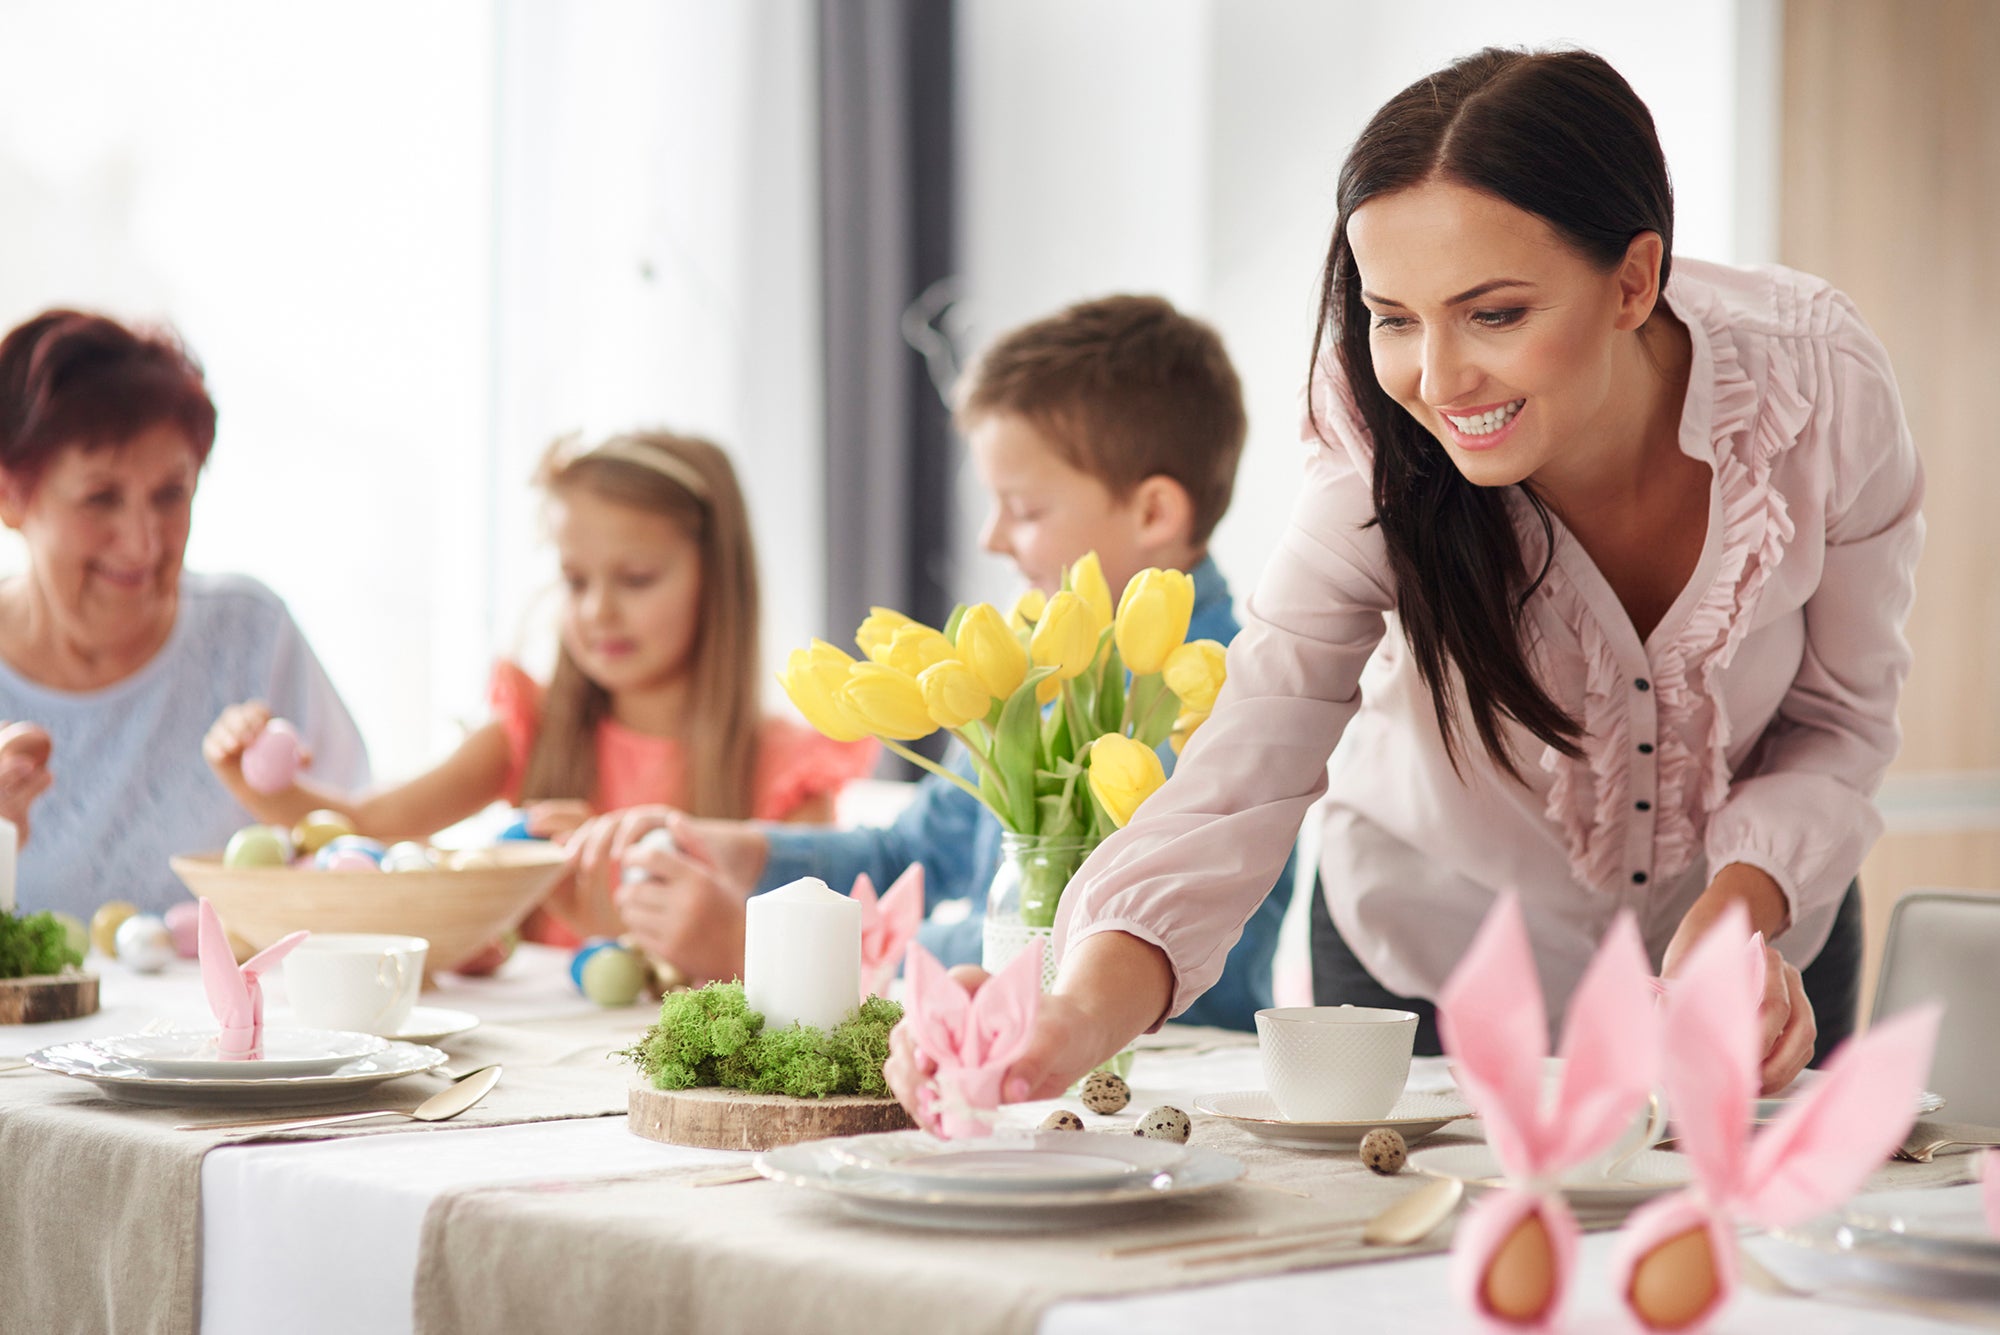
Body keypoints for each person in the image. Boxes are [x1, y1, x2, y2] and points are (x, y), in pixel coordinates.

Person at [886, 47, 1921, 1123]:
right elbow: (1246, 760)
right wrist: (1070, 1014)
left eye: (1494, 314)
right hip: (1431, 967)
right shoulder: (1375, 447)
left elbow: (1836, 721)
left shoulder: (1816, 391)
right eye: (1392, 316)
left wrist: (1736, 914)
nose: (1435, 378)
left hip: (1757, 955)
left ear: (1631, 279)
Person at [573, 295, 1297, 1030]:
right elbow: (909, 853)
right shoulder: (1032, 669)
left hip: (1177, 1079)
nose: (992, 537)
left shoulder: (1229, 702)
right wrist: (744, 853)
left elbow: (1092, 951)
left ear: (1153, 513)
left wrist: (776, 945)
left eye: (1024, 508)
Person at [205, 431, 876, 944]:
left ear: (719, 581)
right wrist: (258, 784)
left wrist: (636, 915)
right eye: (576, 580)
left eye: (637, 577)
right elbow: (370, 830)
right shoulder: (530, 729)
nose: (596, 610)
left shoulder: (788, 773)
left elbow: (813, 957)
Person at [0, 309, 369, 919]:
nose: (144, 544)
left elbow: (358, 856)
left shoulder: (252, 634)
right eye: (101, 498)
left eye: (171, 494)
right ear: (12, 496)